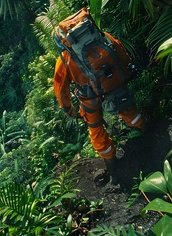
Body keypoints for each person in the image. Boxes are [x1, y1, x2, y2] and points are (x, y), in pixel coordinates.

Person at [53, 28, 145, 184]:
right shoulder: (102, 37)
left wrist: (68, 108)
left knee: (96, 130)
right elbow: (120, 52)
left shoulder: (65, 59)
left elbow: (60, 89)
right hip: (112, 86)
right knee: (127, 111)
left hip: (90, 99)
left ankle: (112, 164)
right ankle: (145, 129)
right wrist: (125, 76)